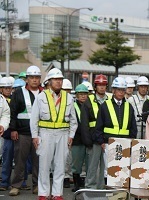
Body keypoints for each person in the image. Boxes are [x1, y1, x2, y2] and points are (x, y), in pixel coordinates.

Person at [30, 68, 77, 200]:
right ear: (49, 81)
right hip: (45, 134)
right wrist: (35, 136)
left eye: (60, 79)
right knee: (44, 165)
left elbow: (74, 120)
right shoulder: (41, 97)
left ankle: (57, 194)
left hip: (63, 134)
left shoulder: (68, 97)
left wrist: (71, 136)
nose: (58, 82)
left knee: (60, 165)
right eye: (56, 80)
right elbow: (34, 119)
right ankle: (43, 194)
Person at [9, 66, 43, 196]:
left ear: (40, 79)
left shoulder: (44, 93)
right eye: (31, 78)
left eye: (37, 78)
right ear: (27, 79)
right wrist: (13, 129)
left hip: (40, 133)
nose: (34, 80)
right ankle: (16, 185)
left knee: (38, 161)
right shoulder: (18, 93)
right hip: (22, 133)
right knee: (19, 161)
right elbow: (13, 112)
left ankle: (37, 185)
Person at [94, 76, 137, 167]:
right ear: (113, 90)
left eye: (123, 90)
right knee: (109, 169)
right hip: (108, 142)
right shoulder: (105, 106)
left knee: (123, 168)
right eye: (119, 90)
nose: (121, 93)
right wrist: (101, 141)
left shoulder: (129, 106)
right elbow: (99, 125)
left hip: (125, 142)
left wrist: (132, 139)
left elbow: (133, 126)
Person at [81, 74, 110, 189]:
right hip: (93, 139)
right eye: (99, 85)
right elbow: (84, 123)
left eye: (104, 85)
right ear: (95, 86)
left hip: (106, 137)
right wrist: (88, 141)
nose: (102, 87)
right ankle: (90, 187)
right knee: (92, 166)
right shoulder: (89, 101)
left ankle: (100, 188)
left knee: (104, 166)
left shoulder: (109, 100)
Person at [71, 84, 89, 192]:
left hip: (88, 138)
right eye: (80, 94)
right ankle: (76, 183)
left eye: (85, 94)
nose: (83, 96)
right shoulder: (73, 106)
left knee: (87, 162)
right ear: (76, 95)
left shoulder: (90, 105)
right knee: (76, 162)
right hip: (77, 139)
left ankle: (85, 181)